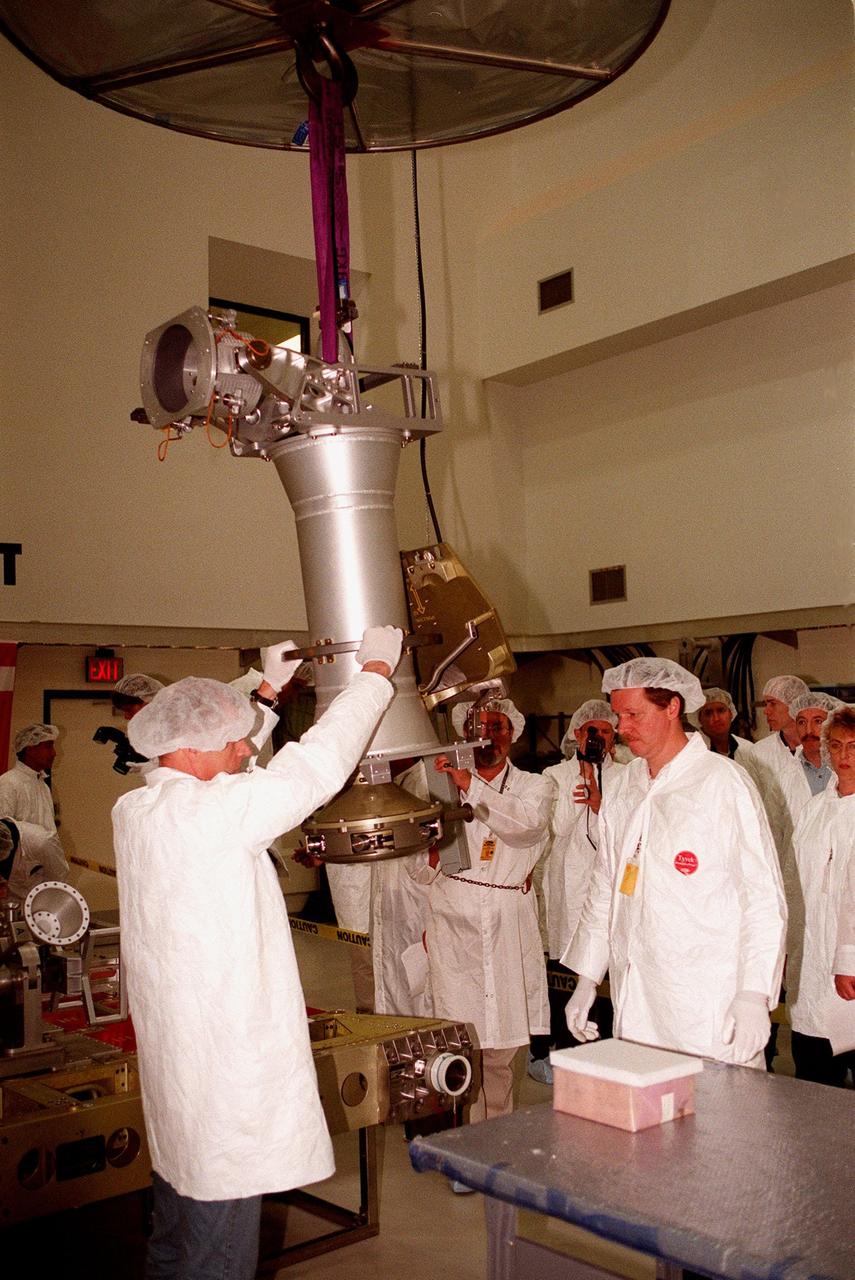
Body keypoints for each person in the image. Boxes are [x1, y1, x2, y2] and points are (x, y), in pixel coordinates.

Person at [112, 626, 402, 1280]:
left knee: (173, 1230)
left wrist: (265, 691)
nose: (248, 748)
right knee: (218, 1243)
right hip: (227, 1081)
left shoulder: (139, 810)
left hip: (181, 1073)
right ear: (188, 749)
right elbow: (315, 765)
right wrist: (376, 674)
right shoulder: (220, 815)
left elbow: (223, 764)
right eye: (234, 738)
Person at [564, 657, 786, 1067]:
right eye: (618, 714)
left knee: (721, 1123)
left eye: (633, 714)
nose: (622, 727)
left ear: (672, 708)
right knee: (649, 1119)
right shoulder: (625, 785)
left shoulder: (721, 783)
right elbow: (606, 888)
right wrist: (588, 978)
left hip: (707, 1003)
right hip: (638, 1000)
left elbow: (763, 898)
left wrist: (754, 993)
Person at [414, 697, 551, 1145]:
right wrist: (430, 854)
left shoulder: (535, 786)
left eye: (499, 725)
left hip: (507, 927)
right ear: (464, 733)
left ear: (514, 733)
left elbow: (525, 827)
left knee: (500, 1053)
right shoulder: (438, 787)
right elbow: (414, 870)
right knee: (459, 1048)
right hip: (453, 929)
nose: (490, 733)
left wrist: (471, 785)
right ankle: (464, 1146)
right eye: (480, 725)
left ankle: (496, 1143)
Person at [528, 700, 624, 1083]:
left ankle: (607, 1055)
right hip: (566, 888)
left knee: (605, 973)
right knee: (567, 969)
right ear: (576, 733)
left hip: (609, 889)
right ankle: (563, 1054)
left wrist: (600, 802)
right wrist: (583, 778)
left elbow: (622, 835)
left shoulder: (628, 776)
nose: (596, 737)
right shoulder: (553, 775)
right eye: (590, 731)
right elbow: (559, 828)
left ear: (614, 736)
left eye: (604, 730)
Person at [788, 705, 855, 1085]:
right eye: (837, 746)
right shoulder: (814, 810)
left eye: (854, 747)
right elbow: (795, 883)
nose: (844, 756)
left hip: (852, 966)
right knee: (813, 1080)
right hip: (812, 964)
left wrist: (849, 957)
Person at [0, 724, 59, 833]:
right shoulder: (8, 783)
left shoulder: (43, 786)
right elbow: (3, 834)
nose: (54, 753)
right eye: (48, 746)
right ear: (30, 749)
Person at [0, 817, 68, 902]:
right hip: (13, 899)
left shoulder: (42, 843)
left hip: (43, 899)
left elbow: (59, 881)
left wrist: (50, 908)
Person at [695, 687, 751, 758]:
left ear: (731, 713)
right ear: (699, 719)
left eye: (721, 710)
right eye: (708, 713)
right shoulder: (693, 751)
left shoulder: (747, 749)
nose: (716, 718)